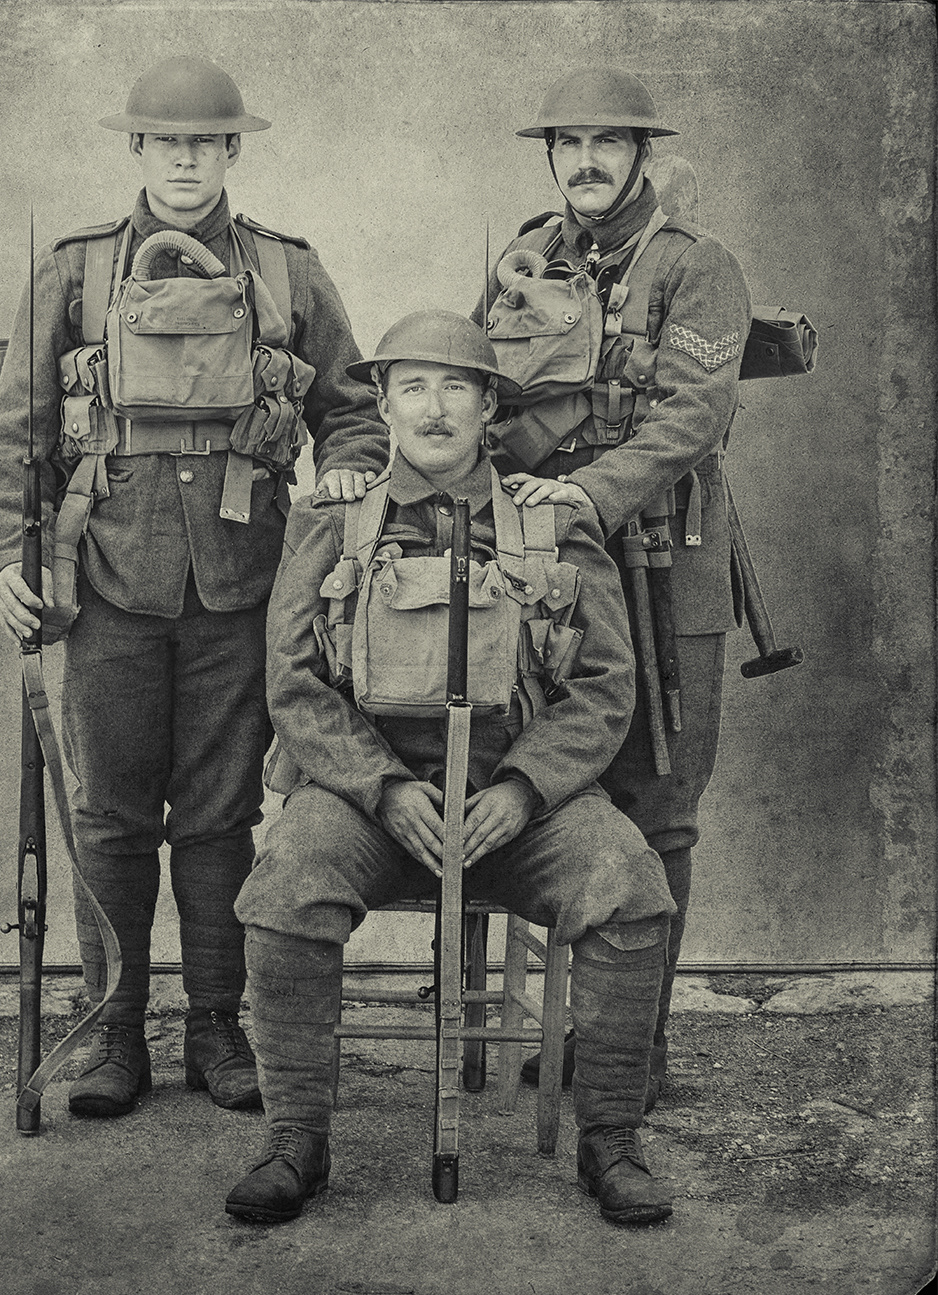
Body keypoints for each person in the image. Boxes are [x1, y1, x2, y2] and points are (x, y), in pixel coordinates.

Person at [0, 57, 388, 1119]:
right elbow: (21, 432)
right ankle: (114, 1028)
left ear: (231, 150)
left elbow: (354, 410)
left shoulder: (287, 270)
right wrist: (9, 562)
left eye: (204, 143)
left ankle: (215, 1023)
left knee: (219, 815)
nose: (185, 161)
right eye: (167, 142)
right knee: (110, 814)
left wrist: (349, 471)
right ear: (138, 148)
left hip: (243, 581)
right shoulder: (76, 270)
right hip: (105, 576)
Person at [224, 309, 677, 1227]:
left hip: (517, 806)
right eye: (414, 388)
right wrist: (384, 789)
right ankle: (294, 1137)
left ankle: (612, 1138)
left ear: (489, 408)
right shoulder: (330, 519)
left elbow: (605, 686)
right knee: (285, 885)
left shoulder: (554, 523)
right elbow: (294, 683)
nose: (434, 408)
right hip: (368, 802)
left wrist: (524, 789)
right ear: (384, 405)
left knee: (631, 885)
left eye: (457, 387)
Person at [474, 68, 752, 1104]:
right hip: (545, 578)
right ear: (551, 155)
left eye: (607, 142)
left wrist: (584, 494)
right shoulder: (526, 257)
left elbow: (693, 418)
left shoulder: (694, 265)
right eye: (569, 143)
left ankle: (634, 1051)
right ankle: (582, 1029)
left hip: (665, 566)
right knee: (561, 790)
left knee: (658, 809)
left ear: (641, 153)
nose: (585, 161)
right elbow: (478, 389)